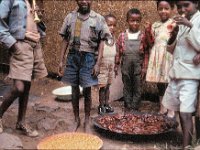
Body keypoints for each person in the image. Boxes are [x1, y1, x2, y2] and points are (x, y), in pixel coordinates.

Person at [58, 0, 110, 132]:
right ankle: (76, 119)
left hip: (89, 58)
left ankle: (87, 119)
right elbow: (64, 39)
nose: (84, 1)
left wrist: (97, 63)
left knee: (87, 90)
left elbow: (102, 42)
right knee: (74, 90)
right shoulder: (70, 17)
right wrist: (61, 61)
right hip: (72, 57)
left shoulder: (98, 19)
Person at [0, 0, 48, 137]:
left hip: (34, 45)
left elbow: (31, 22)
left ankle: (21, 122)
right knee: (18, 87)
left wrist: (37, 17)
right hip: (20, 45)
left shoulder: (29, 1)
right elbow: (0, 25)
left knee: (26, 87)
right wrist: (13, 45)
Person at [162, 0, 200, 149]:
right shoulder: (183, 22)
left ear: (196, 3)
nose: (182, 9)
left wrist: (190, 26)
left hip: (191, 74)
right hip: (178, 72)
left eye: (186, 5)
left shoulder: (196, 20)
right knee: (180, 110)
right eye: (179, 7)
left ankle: (186, 147)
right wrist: (174, 34)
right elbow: (172, 50)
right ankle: (188, 142)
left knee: (186, 112)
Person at [115, 8, 149, 112]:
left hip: (138, 66)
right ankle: (127, 106)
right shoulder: (122, 36)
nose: (135, 23)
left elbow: (146, 53)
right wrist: (116, 65)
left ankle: (135, 107)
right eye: (132, 20)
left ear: (140, 21)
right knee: (127, 86)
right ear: (127, 21)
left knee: (137, 86)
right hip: (125, 65)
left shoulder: (143, 36)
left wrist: (144, 67)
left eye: (137, 21)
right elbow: (118, 52)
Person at [145, 0, 175, 116]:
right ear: (157, 9)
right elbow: (150, 43)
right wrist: (148, 30)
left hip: (168, 56)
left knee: (169, 82)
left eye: (166, 8)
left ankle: (171, 109)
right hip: (157, 56)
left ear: (171, 9)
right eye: (160, 8)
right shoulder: (155, 25)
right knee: (160, 83)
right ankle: (162, 107)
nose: (163, 11)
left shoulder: (174, 24)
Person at [97, 14, 117, 115]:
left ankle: (106, 104)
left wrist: (116, 66)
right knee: (102, 86)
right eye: (109, 25)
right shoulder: (101, 38)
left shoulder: (113, 38)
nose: (112, 27)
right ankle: (101, 105)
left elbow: (115, 52)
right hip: (103, 66)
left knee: (108, 86)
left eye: (114, 25)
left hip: (111, 65)